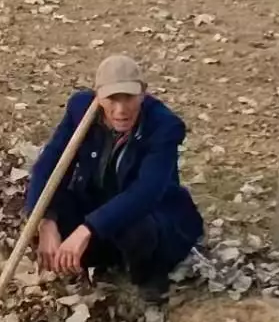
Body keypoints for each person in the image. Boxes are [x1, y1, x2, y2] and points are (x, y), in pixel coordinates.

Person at [24, 54, 203, 303]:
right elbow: (49, 165)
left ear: (143, 94)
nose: (120, 110)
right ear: (98, 96)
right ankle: (96, 261)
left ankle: (148, 275)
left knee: (137, 231)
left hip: (146, 216)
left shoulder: (164, 127)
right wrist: (46, 221)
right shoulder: (80, 110)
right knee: (43, 207)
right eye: (112, 99)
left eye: (129, 97)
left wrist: (87, 229)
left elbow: (146, 193)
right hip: (98, 203)